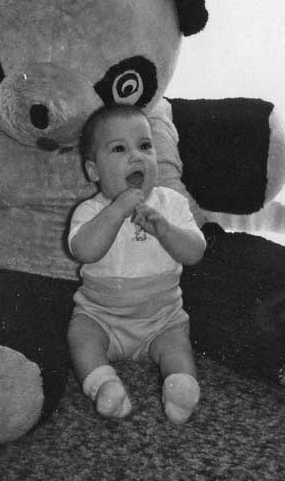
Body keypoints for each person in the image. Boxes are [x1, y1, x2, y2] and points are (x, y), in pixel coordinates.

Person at [68, 104, 206, 424]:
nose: (136, 157)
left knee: (177, 344)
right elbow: (85, 250)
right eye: (119, 149)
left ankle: (181, 388)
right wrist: (117, 210)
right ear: (94, 171)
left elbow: (195, 251)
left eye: (145, 146)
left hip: (161, 318)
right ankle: (104, 385)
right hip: (102, 316)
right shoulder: (91, 211)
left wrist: (166, 231)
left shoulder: (171, 204)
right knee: (80, 336)